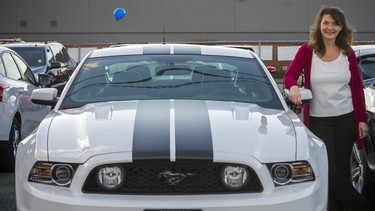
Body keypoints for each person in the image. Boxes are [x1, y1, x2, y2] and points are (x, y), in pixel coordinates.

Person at [283, 5, 374, 211]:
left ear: (341, 27)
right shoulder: (307, 51)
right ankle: (362, 206)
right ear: (319, 25)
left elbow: (357, 88)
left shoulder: (347, 53)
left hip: (346, 118)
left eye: (334, 23)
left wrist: (361, 119)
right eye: (326, 23)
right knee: (326, 170)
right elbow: (289, 76)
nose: (330, 27)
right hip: (319, 119)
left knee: (342, 170)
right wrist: (295, 86)